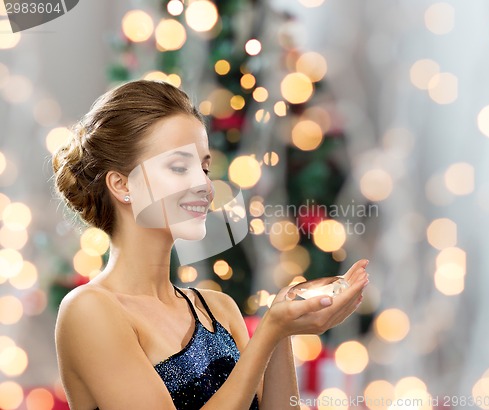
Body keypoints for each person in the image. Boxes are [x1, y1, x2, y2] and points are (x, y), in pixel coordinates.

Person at [52, 79, 369, 410]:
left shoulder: (219, 309)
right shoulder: (89, 310)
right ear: (121, 184)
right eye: (179, 167)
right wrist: (269, 332)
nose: (205, 185)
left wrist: (282, 332)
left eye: (205, 167)